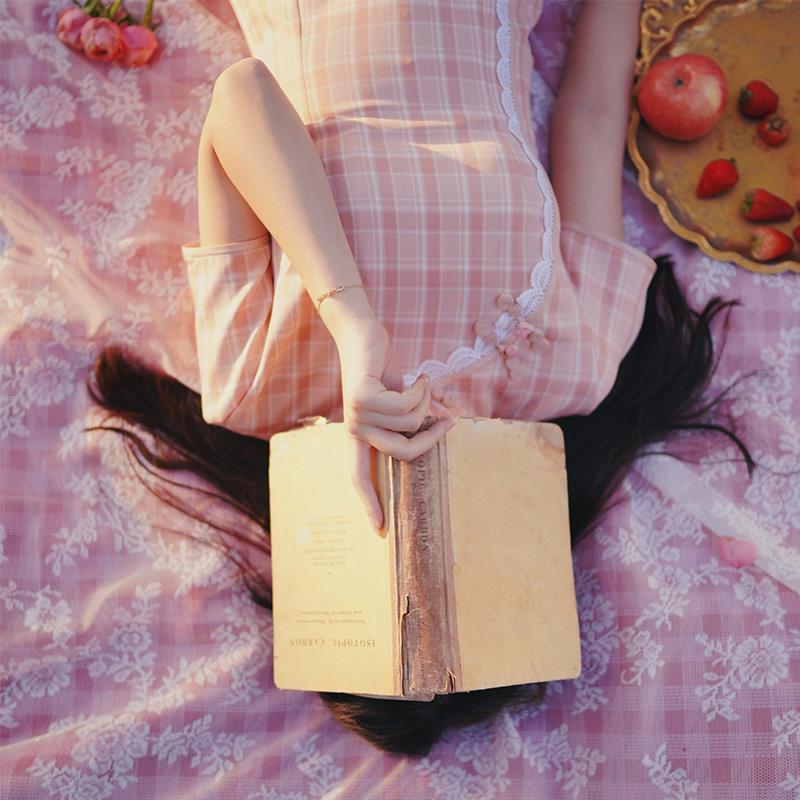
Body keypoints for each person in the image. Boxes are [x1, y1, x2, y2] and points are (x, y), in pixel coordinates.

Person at [88, 0, 755, 756]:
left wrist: (350, 319)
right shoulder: (577, 371)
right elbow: (591, 116)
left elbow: (242, 94)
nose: (422, 547)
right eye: (460, 582)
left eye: (394, 585)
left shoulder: (253, 385)